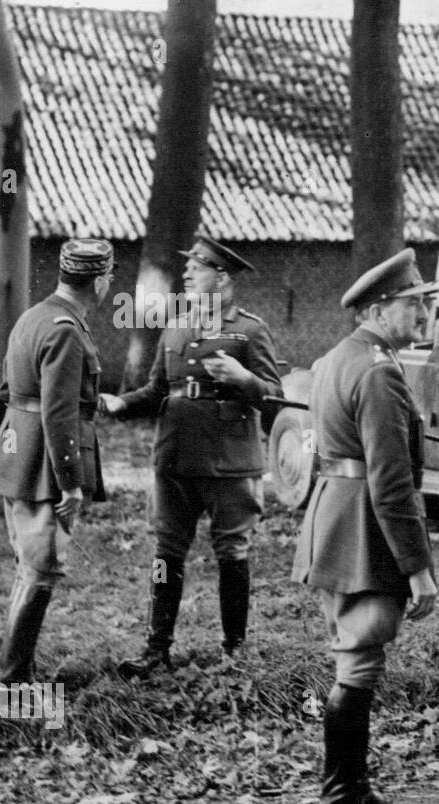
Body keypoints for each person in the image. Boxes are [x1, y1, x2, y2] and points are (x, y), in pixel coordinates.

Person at [292, 248, 439, 804]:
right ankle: (336, 803)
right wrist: (419, 568)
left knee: (357, 657)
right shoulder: (378, 371)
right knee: (359, 660)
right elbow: (391, 480)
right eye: (414, 303)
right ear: (381, 309)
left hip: (337, 522)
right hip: (363, 533)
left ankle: (351, 787)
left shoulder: (336, 359)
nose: (423, 312)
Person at [102, 235, 283, 677]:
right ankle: (155, 649)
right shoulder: (176, 327)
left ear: (221, 277)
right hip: (176, 459)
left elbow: (275, 398)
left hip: (230, 463)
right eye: (187, 267)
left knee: (232, 554)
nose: (186, 274)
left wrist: (243, 378)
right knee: (166, 555)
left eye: (196, 268)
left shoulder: (250, 330)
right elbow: (157, 390)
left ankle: (234, 652)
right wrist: (121, 404)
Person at [0, 239, 115, 684]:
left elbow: (3, 395)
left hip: (16, 458)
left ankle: (17, 674)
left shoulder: (32, 318)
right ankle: (11, 683)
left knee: (30, 565)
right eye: (108, 279)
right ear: (98, 281)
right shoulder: (66, 329)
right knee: (41, 569)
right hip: (43, 468)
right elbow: (60, 413)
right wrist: (71, 483)